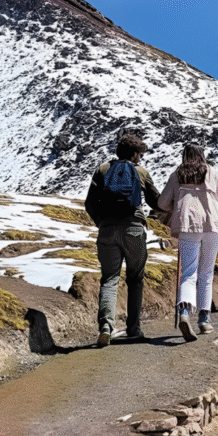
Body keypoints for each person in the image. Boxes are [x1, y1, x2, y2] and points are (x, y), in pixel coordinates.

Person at [84, 132, 161, 347]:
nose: (141, 158)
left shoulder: (102, 170)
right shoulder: (141, 172)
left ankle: (106, 327)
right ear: (135, 154)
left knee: (109, 278)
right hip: (134, 229)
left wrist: (102, 223)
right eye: (140, 154)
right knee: (135, 278)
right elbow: (156, 202)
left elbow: (90, 203)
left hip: (107, 230)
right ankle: (133, 329)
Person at [158, 143, 218, 341]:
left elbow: (163, 203)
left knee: (188, 273)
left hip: (188, 225)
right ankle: (204, 319)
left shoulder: (178, 174)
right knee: (206, 272)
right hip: (212, 225)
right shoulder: (212, 172)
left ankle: (185, 313)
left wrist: (177, 200)